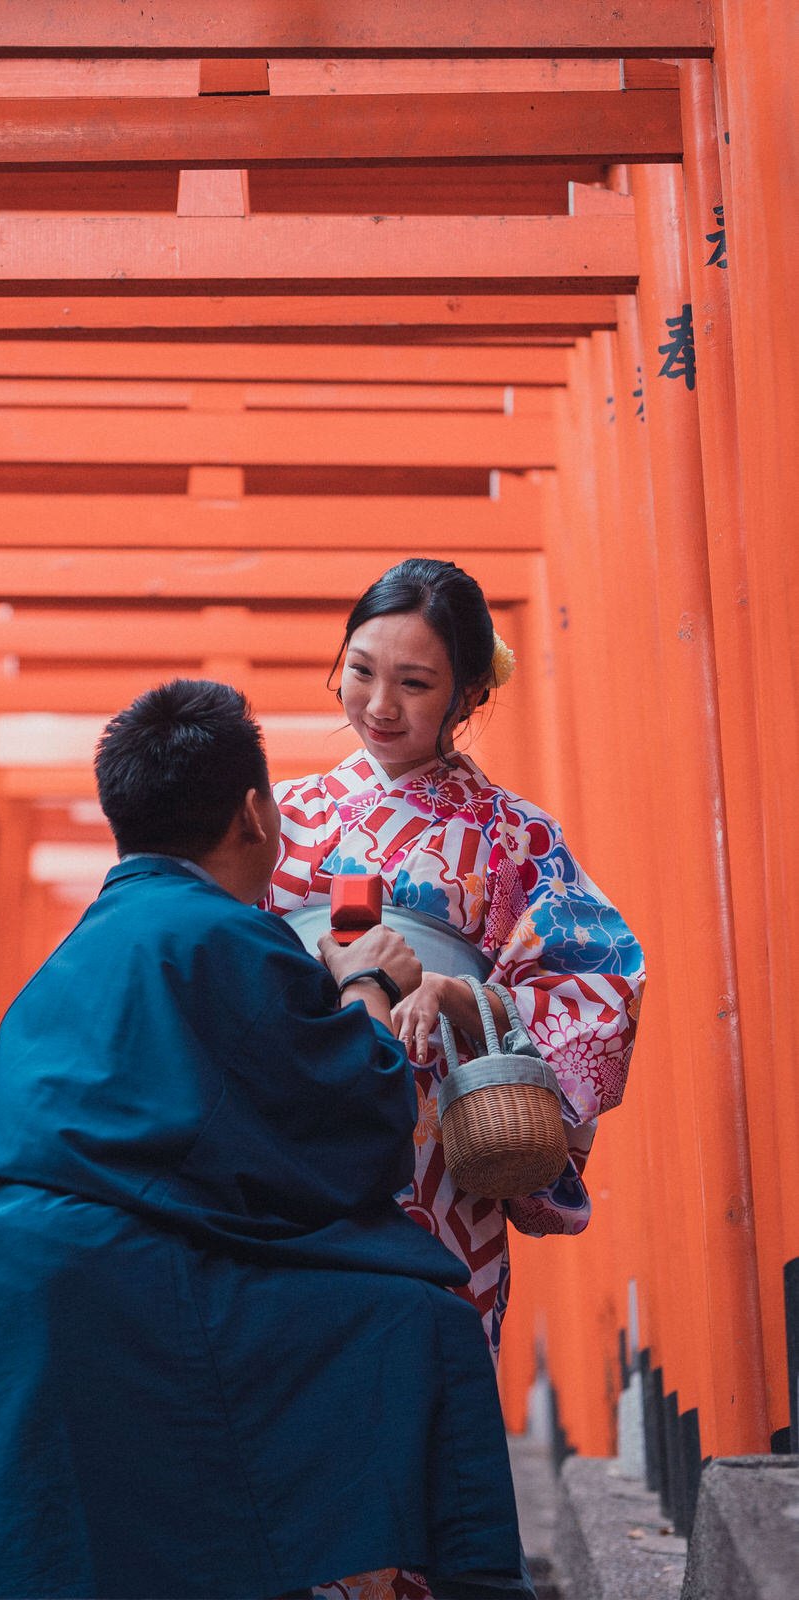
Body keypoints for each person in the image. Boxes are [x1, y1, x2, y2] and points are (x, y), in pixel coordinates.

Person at [0, 678, 529, 1600]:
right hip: (106, 1272)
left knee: (19, 1556)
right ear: (253, 813)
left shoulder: (92, 941)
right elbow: (354, 1127)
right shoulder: (224, 937)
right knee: (424, 1324)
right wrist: (365, 984)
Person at [265, 560, 645, 1600]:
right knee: (297, 1389)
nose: (377, 706)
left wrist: (465, 995)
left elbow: (593, 977)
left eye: (415, 684)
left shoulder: (516, 838)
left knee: (426, 1388)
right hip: (297, 1156)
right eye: (359, 671)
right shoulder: (280, 818)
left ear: (470, 695)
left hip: (441, 1166)